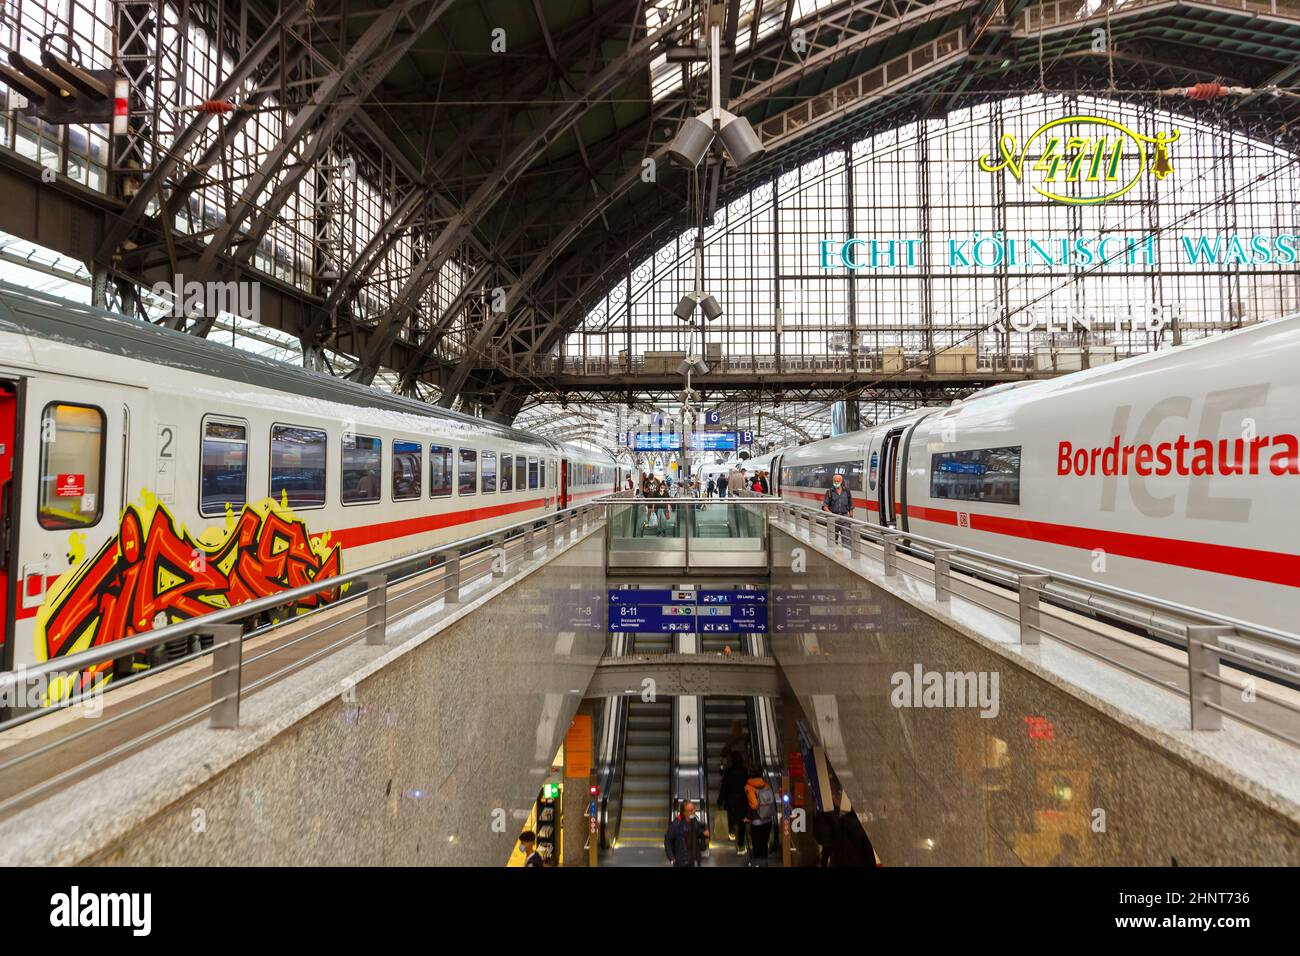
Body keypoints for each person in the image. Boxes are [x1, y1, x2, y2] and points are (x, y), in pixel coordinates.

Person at [717, 752, 751, 853]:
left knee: (730, 817)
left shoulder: (728, 771)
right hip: (742, 799)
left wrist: (720, 800)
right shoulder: (745, 771)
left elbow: (724, 787)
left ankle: (731, 831)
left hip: (730, 799)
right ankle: (741, 845)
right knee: (742, 822)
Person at [744, 768, 776, 866]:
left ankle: (758, 864)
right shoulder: (766, 785)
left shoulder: (748, 787)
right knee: (764, 844)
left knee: (757, 846)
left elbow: (754, 804)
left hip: (757, 822)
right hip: (768, 820)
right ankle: (765, 864)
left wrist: (748, 817)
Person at [664, 800, 710, 867]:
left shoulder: (694, 821)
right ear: (684, 812)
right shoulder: (676, 824)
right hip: (681, 861)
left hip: (692, 859)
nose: (694, 811)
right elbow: (667, 841)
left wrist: (703, 833)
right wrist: (672, 858)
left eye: (694, 808)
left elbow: (696, 832)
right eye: (691, 810)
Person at [821, 472, 854, 547]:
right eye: (835, 481)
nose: (836, 483)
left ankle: (846, 554)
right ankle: (832, 552)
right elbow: (825, 505)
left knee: (846, 539)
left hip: (844, 518)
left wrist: (851, 517)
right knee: (832, 539)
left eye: (838, 481)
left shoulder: (847, 492)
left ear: (841, 482)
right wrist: (830, 513)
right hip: (833, 518)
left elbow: (851, 505)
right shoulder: (829, 492)